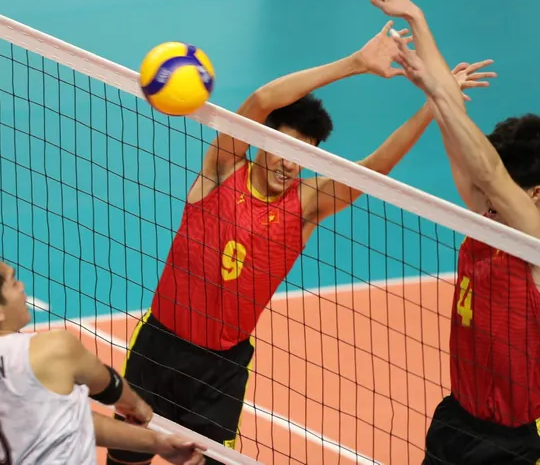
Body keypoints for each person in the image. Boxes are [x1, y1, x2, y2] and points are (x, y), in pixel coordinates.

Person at [107, 27, 495, 465]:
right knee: (125, 460)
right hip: (158, 347)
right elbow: (261, 100)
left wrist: (436, 103)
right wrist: (354, 64)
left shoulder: (306, 205)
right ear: (262, 141)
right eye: (284, 148)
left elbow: (375, 168)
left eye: (303, 155)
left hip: (221, 369)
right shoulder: (222, 170)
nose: (290, 164)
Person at [359, 0, 540, 464]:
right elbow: (457, 128)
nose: (486, 192)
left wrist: (435, 91)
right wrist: (417, 18)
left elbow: (491, 172)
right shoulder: (486, 215)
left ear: (537, 195)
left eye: (502, 188)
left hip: (511, 447)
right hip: (454, 422)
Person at [0, 232, 208, 465]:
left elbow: (69, 422)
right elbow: (110, 388)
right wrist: (137, 406)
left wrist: (156, 443)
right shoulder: (53, 350)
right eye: (12, 283)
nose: (22, 287)